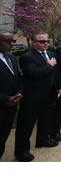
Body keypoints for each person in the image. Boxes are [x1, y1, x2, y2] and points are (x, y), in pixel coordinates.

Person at [14, 31, 61, 162]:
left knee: (46, 119)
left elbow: (57, 72)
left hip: (50, 93)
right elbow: (33, 73)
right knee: (26, 125)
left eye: (47, 41)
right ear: (33, 42)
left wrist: (59, 86)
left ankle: (43, 140)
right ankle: (22, 151)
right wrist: (48, 65)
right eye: (42, 41)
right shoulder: (27, 57)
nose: (45, 43)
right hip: (33, 96)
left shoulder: (51, 54)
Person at [0, 30, 23, 160]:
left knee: (4, 136)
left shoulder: (11, 58)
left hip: (11, 106)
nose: (11, 44)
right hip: (3, 103)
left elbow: (17, 78)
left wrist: (19, 93)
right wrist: (5, 99)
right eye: (7, 41)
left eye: (12, 41)